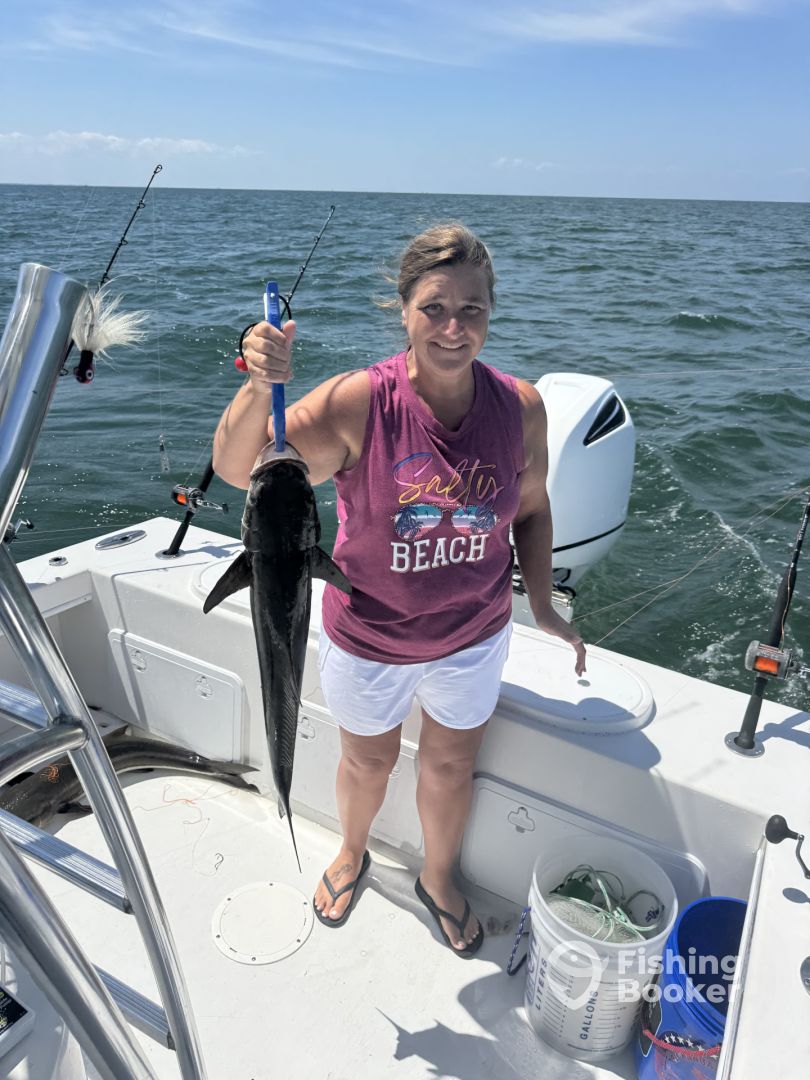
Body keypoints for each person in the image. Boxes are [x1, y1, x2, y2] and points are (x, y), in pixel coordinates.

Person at [213, 223, 585, 956]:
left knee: (451, 765)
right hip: (370, 638)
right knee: (367, 762)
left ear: (491, 311)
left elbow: (532, 508)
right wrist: (259, 384)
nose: (453, 328)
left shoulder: (521, 407)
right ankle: (351, 851)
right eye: (434, 308)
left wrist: (542, 605)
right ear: (404, 310)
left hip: (473, 637)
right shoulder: (360, 402)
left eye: (471, 309)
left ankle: (438, 876)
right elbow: (238, 467)